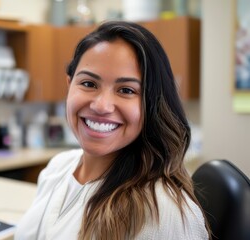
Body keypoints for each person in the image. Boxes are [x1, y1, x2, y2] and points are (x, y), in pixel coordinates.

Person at [15, 21, 210, 240]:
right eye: (89, 84)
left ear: (152, 104)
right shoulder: (57, 168)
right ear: (69, 84)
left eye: (126, 90)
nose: (101, 105)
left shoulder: (163, 212)